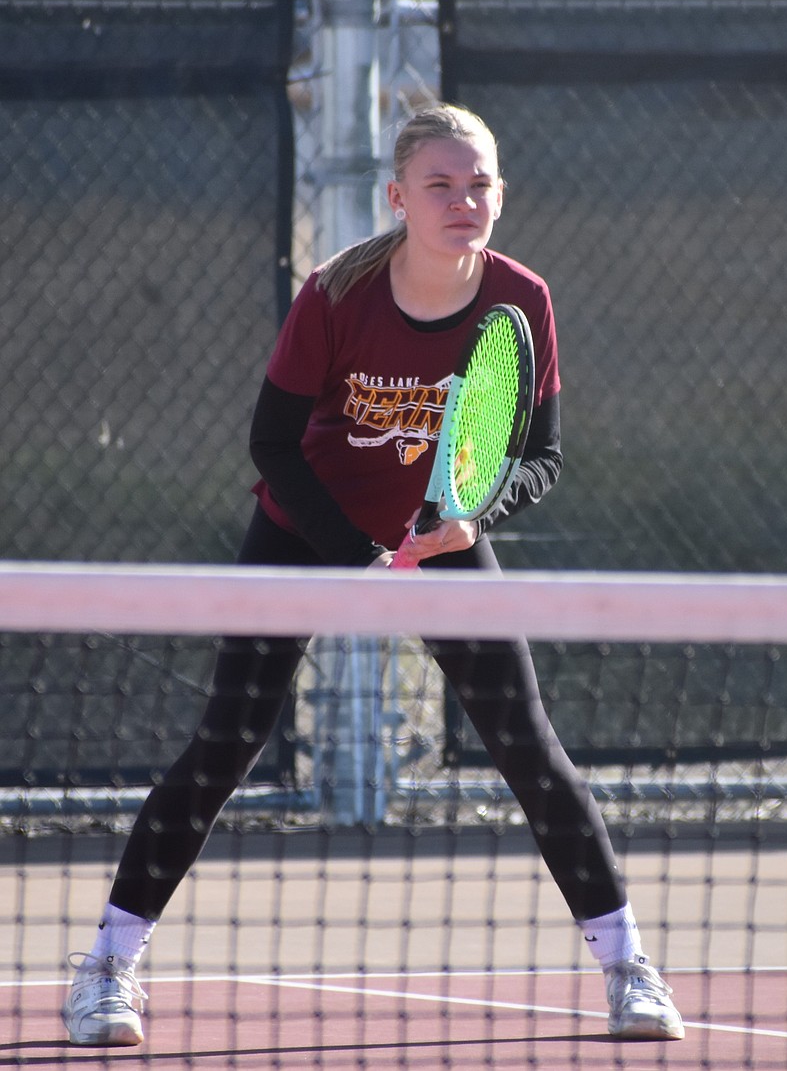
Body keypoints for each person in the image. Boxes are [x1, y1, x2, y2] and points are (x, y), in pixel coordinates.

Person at [61, 103, 685, 1046]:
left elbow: (540, 457)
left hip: (438, 533)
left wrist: (467, 519)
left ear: (501, 196)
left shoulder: (523, 300)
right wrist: (355, 556)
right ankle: (105, 968)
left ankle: (629, 969)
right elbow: (271, 443)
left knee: (529, 748)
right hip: (304, 531)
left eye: (479, 185)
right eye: (440, 184)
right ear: (398, 197)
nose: (462, 200)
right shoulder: (335, 294)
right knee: (225, 746)